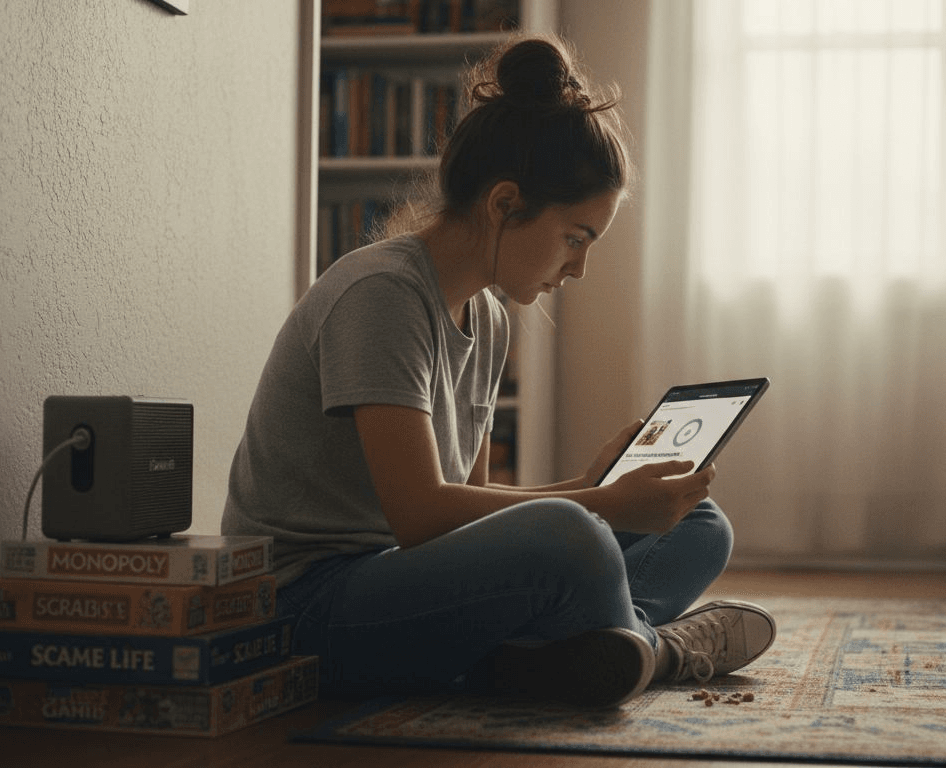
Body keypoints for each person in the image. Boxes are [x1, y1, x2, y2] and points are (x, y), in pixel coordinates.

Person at [221, 35, 775, 709]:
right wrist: (596, 503)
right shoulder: (381, 295)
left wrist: (590, 485)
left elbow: (470, 514)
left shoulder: (488, 317)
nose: (578, 268)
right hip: (309, 606)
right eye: (576, 238)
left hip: (403, 581)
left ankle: (572, 653)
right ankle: (658, 650)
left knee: (699, 522)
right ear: (506, 204)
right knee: (574, 535)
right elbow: (422, 513)